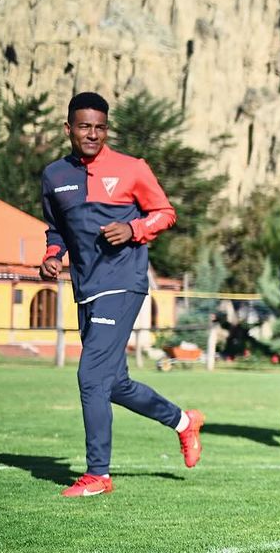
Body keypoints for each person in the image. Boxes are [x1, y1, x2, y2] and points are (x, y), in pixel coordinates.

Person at [40, 92, 204, 498]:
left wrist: (134, 229)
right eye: (84, 126)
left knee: (90, 376)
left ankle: (98, 474)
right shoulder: (54, 176)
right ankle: (184, 422)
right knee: (113, 383)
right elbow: (56, 229)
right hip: (86, 288)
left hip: (123, 281)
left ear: (107, 129)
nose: (92, 134)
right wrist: (52, 255)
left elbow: (165, 213)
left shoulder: (132, 169)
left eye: (100, 127)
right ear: (69, 129)